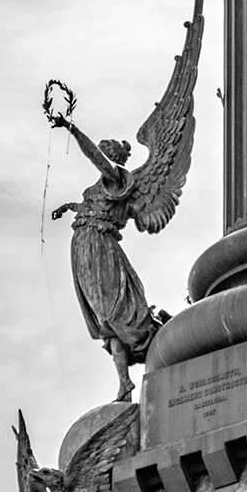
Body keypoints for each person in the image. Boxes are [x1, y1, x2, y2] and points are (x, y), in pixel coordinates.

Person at [51, 117, 167, 401]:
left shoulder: (116, 178)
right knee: (106, 320)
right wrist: (70, 206)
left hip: (99, 246)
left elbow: (95, 157)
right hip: (85, 246)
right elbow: (92, 206)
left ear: (111, 158)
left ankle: (152, 339)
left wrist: (72, 129)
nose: (101, 158)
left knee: (114, 314)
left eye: (105, 154)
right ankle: (124, 383)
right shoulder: (102, 187)